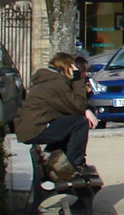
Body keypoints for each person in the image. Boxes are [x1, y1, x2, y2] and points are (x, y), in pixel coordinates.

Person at [14, 51, 98, 182]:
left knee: (69, 124)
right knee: (79, 122)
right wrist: (77, 81)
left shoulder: (49, 80)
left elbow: (70, 107)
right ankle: (75, 165)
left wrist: (87, 109)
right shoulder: (56, 83)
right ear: (68, 67)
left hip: (32, 128)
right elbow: (78, 107)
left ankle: (63, 163)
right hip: (36, 129)